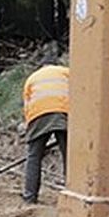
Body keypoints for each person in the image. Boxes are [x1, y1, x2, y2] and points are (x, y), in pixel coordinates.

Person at [21, 64, 69, 204]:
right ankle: (71, 193)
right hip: (63, 110)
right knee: (69, 156)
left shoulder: (32, 78)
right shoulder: (66, 72)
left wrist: (36, 139)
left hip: (37, 113)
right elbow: (81, 93)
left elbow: (27, 106)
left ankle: (30, 196)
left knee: (34, 156)